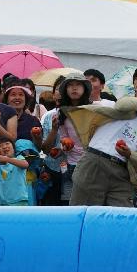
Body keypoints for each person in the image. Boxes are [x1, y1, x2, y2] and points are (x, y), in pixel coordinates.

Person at [66, 85, 137, 207]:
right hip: (95, 163)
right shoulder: (127, 108)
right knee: (84, 213)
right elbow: (121, 104)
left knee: (120, 218)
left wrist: (129, 154)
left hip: (122, 173)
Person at [40, 73, 90, 205]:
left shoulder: (92, 110)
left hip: (89, 164)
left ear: (85, 88)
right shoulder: (61, 113)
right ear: (65, 90)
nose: (74, 88)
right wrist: (63, 147)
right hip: (70, 165)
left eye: (78, 85)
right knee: (70, 202)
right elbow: (64, 139)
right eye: (70, 85)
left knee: (88, 202)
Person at [0, 138, 29, 206]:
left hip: (19, 201)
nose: (4, 147)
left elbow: (25, 164)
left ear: (14, 148)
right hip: (3, 203)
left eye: (7, 143)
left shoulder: (19, 158)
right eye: (0, 146)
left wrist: (7, 159)